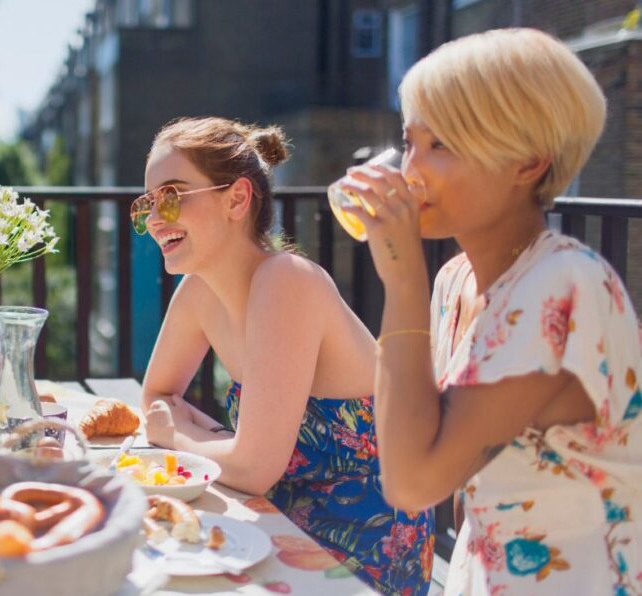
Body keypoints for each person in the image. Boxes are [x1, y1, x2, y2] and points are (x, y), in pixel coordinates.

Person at [340, 28, 641, 593]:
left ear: (528, 162)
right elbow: (452, 474)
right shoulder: (455, 280)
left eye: (441, 146)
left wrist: (402, 279)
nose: (410, 171)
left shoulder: (563, 284)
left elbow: (411, 483)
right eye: (410, 142)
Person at [137, 116, 433, 594]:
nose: (153, 219)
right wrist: (220, 442)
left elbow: (252, 468)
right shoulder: (199, 292)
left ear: (236, 198)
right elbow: (158, 394)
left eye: (170, 197)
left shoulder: (287, 281)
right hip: (274, 525)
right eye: (147, 204)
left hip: (360, 553)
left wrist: (179, 439)